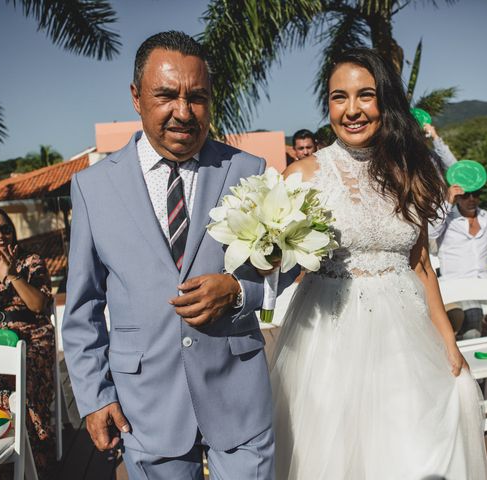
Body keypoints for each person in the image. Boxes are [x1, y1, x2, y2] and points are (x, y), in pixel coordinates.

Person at [62, 31, 299, 479]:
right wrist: (95, 396)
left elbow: (287, 264)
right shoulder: (93, 188)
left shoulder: (247, 171)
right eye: (166, 95)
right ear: (136, 97)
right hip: (145, 404)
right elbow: (82, 305)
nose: (184, 112)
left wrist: (237, 290)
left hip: (238, 393)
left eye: (198, 97)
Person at [270, 48, 487, 479]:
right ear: (327, 105)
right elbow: (276, 263)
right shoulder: (302, 176)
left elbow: (421, 262)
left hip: (405, 336)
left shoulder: (413, 171)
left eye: (365, 96)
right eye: (339, 97)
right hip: (327, 340)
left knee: (408, 448)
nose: (352, 110)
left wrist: (447, 339)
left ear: (384, 102)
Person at [0, 208, 55, 477]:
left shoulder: (31, 263)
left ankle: (24, 456)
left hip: (30, 337)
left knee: (13, 376)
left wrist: (12, 273)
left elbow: (39, 305)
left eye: (5, 229)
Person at [430, 186, 487, 339]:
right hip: (458, 283)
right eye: (466, 195)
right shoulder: (446, 218)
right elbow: (431, 230)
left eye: (476, 194)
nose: (472, 199)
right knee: (473, 315)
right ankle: (472, 358)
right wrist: (447, 200)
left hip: (486, 281)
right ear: (458, 196)